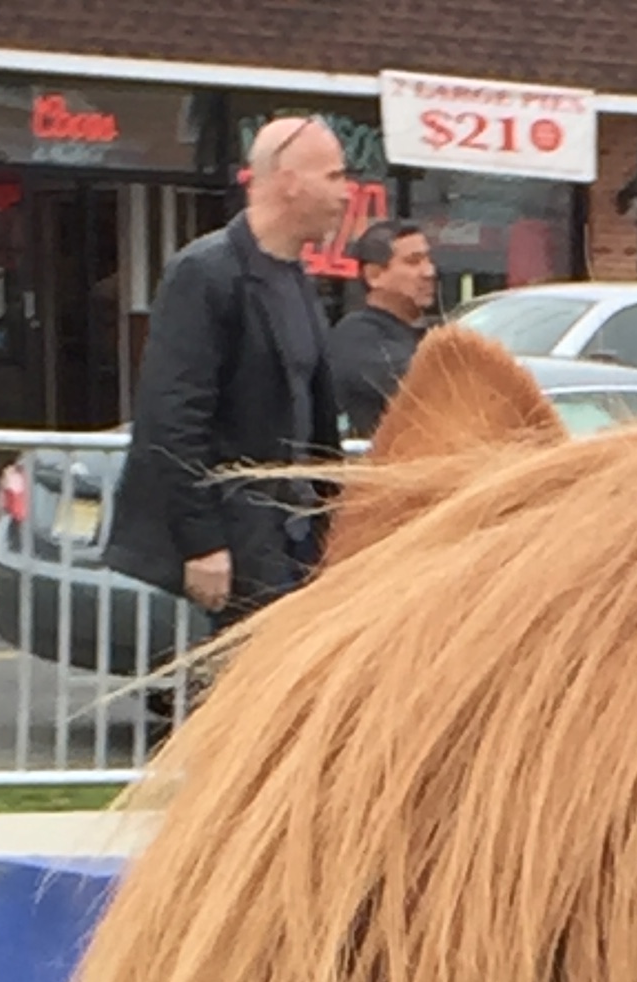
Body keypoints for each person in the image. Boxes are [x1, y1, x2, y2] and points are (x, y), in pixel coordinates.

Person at [107, 116, 350, 624]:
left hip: (294, 536)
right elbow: (171, 417)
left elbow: (312, 416)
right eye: (333, 176)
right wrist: (203, 543)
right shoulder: (205, 272)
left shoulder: (297, 279)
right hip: (237, 540)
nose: (346, 193)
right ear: (288, 181)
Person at [328, 219, 437, 441]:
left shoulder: (424, 334)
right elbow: (428, 390)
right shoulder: (358, 335)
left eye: (428, 259)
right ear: (374, 275)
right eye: (413, 262)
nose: (429, 272)